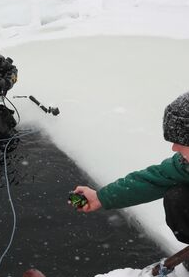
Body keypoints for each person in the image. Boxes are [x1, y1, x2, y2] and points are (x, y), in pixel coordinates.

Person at [73, 92, 189, 256]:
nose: (175, 148)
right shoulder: (185, 166)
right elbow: (152, 180)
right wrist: (101, 197)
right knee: (177, 198)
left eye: (182, 142)